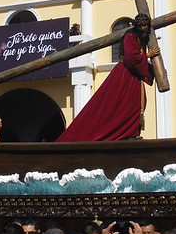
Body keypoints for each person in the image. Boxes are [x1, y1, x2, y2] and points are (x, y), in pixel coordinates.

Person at [56, 13, 160, 142]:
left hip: (133, 76)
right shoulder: (130, 36)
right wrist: (147, 55)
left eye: (145, 26)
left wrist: (154, 70)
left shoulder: (140, 37)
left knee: (135, 103)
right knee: (118, 105)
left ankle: (130, 131)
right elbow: (130, 58)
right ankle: (123, 132)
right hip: (124, 75)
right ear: (136, 25)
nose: (144, 28)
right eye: (141, 26)